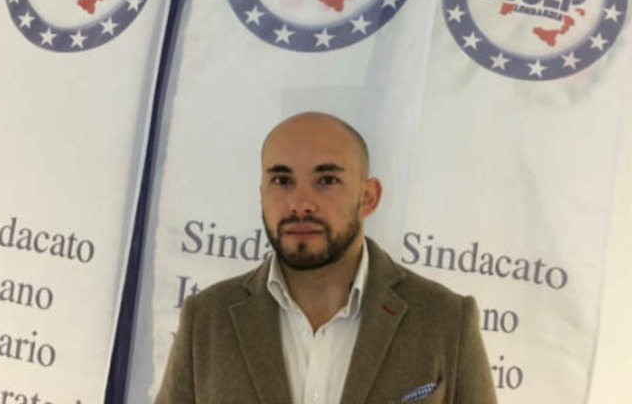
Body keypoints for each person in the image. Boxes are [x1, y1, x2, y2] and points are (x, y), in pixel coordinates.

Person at [155, 112, 497, 404]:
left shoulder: (445, 319)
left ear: (368, 197)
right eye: (282, 180)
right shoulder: (207, 317)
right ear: (262, 195)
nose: (300, 203)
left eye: (326, 180)